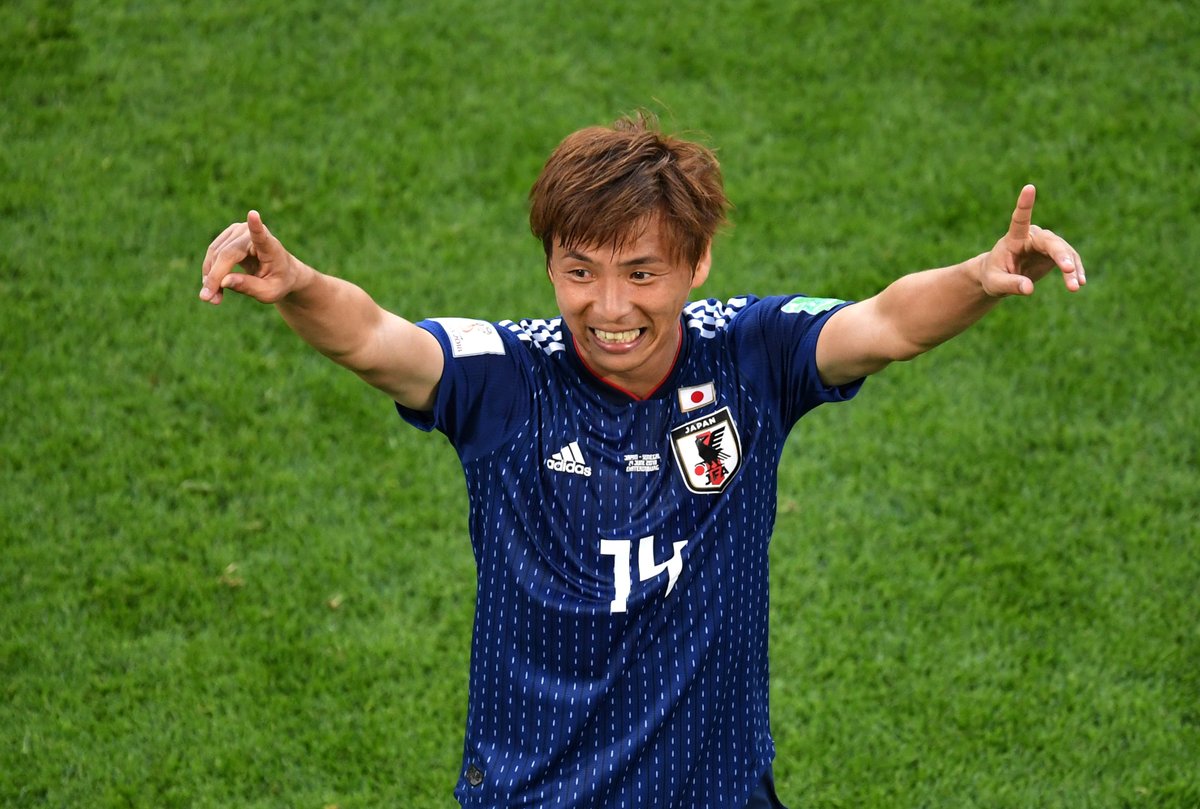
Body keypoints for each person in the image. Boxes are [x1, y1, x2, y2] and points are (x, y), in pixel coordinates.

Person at [199, 113, 1085, 809]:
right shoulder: (504, 378)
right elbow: (373, 338)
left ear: (697, 262)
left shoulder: (751, 355)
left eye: (642, 273)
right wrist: (300, 286)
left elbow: (885, 323)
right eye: (580, 271)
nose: (610, 306)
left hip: (718, 793)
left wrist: (978, 277)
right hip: (534, 793)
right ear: (550, 265)